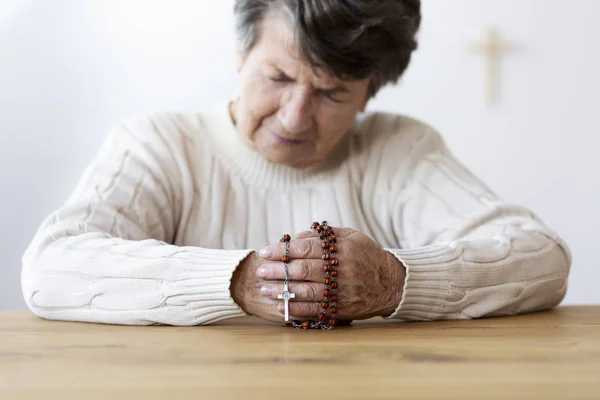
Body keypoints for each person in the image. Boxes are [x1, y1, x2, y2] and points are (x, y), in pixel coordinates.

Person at [21, 0, 571, 327]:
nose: (294, 117)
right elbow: (51, 268)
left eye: (331, 93)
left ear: (369, 93)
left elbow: (543, 259)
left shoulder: (400, 149)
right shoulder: (158, 145)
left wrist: (392, 280)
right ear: (241, 56)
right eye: (278, 78)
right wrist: (237, 283)